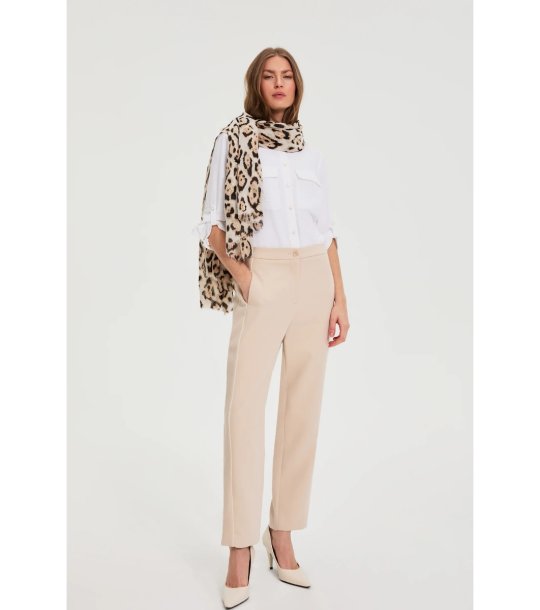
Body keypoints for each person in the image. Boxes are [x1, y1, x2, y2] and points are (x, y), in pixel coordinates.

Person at [192, 47, 349, 609]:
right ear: (256, 84)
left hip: (314, 278)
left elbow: (327, 230)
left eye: (287, 76)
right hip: (263, 277)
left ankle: (281, 534)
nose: (279, 83)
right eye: (269, 75)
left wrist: (339, 297)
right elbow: (211, 224)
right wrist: (246, 278)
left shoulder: (309, 153)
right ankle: (239, 547)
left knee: (302, 412)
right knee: (244, 411)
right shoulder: (232, 141)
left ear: (296, 86)